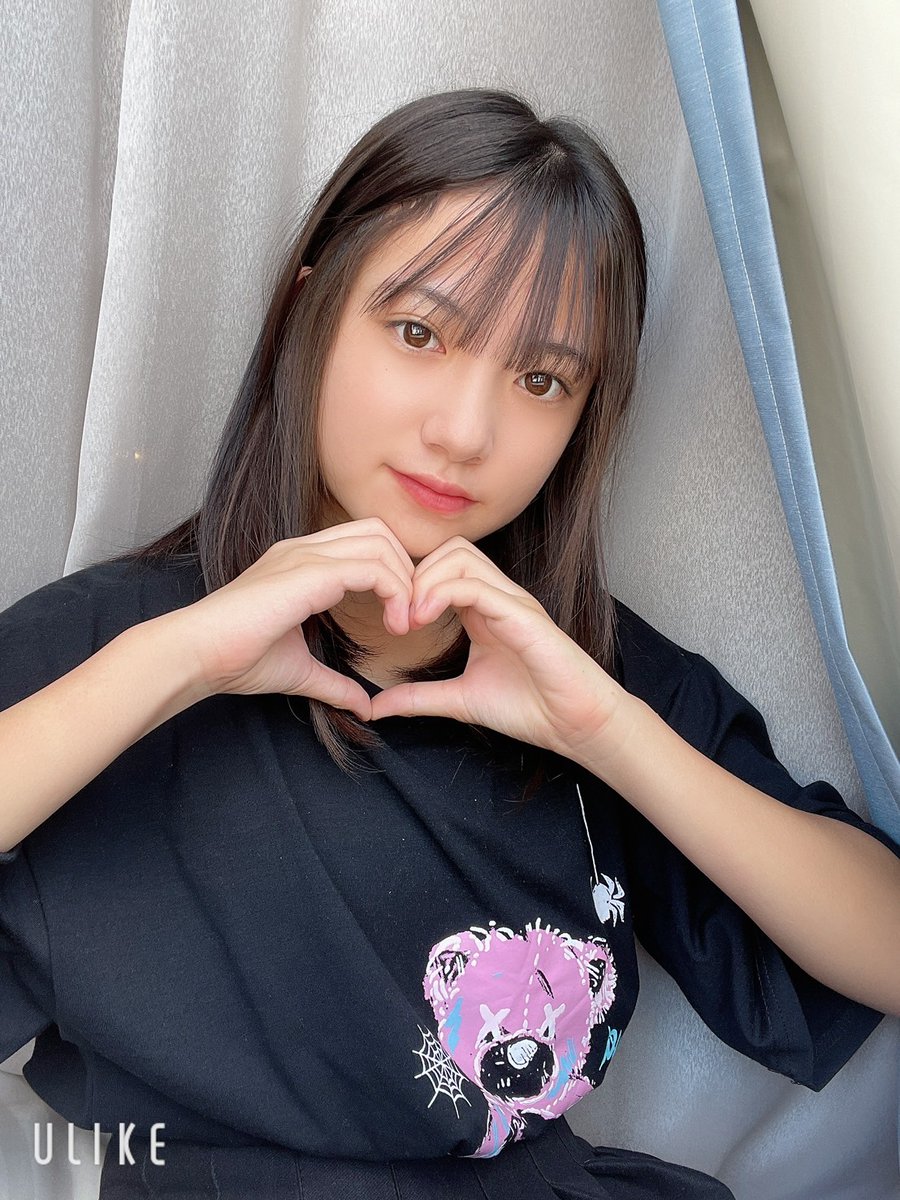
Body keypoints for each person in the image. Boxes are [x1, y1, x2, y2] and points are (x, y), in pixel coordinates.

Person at [1, 88, 898, 1200]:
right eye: (419, 332)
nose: (465, 432)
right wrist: (177, 661)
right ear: (310, 310)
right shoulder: (108, 649)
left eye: (542, 380)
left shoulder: (584, 672)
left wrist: (608, 733)